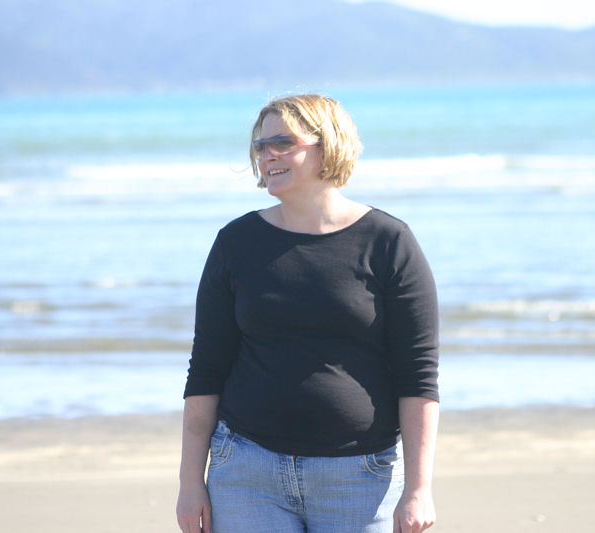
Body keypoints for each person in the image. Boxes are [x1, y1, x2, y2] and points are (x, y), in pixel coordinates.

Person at [176, 94, 439, 533]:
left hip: (360, 478)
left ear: (328, 145)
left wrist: (419, 488)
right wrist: (190, 482)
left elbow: (418, 375)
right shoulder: (236, 243)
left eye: (283, 143)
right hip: (246, 473)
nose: (268, 155)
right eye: (261, 146)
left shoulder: (389, 243)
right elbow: (206, 369)